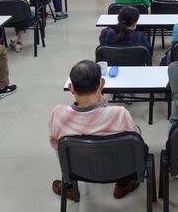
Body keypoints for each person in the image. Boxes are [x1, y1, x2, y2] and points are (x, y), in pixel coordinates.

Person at [49, 60, 140, 200]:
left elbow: (54, 144)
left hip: (78, 170)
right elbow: (136, 142)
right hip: (118, 169)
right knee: (135, 134)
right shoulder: (119, 114)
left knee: (60, 143)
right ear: (102, 84)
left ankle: (70, 186)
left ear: (71, 88)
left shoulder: (58, 114)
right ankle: (123, 184)